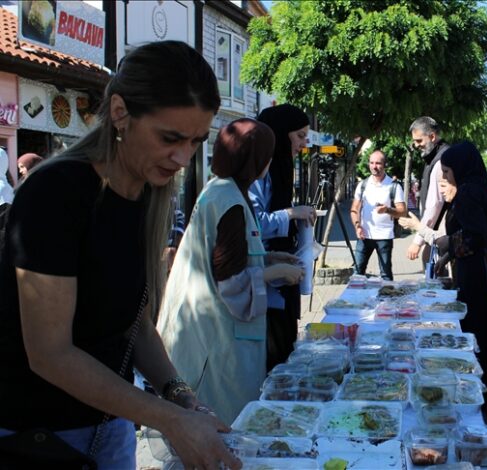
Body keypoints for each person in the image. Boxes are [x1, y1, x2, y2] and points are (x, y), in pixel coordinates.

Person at [0, 41, 242, 468]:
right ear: (119, 113)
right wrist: (168, 418)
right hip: (39, 438)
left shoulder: (146, 193)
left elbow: (136, 324)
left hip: (111, 429)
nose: (183, 158)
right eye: (170, 138)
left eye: (195, 141)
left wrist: (180, 397)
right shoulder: (55, 193)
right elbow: (49, 353)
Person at [157, 118, 304, 423]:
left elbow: (234, 255)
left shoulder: (223, 190)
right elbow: (229, 279)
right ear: (253, 157)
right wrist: (275, 273)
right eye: (267, 154)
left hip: (209, 334)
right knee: (225, 429)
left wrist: (268, 257)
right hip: (215, 342)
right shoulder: (229, 201)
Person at [436, 141, 487, 422]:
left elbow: (474, 235)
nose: (445, 178)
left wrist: (446, 243)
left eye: (447, 171)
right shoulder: (485, 187)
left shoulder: (467, 193)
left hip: (477, 274)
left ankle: (479, 393)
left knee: (476, 329)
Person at [249, 103, 316, 372]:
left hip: (280, 275)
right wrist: (291, 214)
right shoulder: (256, 172)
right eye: (299, 135)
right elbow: (252, 225)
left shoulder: (281, 168)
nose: (303, 143)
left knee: (286, 347)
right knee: (274, 358)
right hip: (263, 285)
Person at [350, 150, 406, 280]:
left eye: (378, 163)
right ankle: (356, 300)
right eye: (371, 163)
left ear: (384, 164)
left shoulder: (394, 186)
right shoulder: (363, 185)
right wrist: (357, 226)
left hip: (384, 237)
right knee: (357, 274)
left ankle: (388, 300)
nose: (374, 166)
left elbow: (402, 211)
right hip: (364, 236)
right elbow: (354, 209)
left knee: (385, 275)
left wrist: (387, 210)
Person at [407, 116, 449, 265]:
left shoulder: (440, 162)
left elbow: (434, 206)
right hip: (440, 234)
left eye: (419, 141)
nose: (416, 145)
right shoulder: (436, 158)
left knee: (437, 280)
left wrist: (417, 241)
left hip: (442, 235)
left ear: (432, 136)